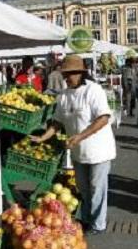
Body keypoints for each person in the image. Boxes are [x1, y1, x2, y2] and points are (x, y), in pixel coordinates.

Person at [34, 55, 116, 234]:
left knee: (97, 188)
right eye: (64, 74)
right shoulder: (63, 96)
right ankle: (86, 219)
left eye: (68, 74)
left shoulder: (93, 90)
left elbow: (103, 118)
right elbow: (57, 122)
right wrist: (43, 138)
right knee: (84, 189)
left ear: (79, 73)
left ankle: (97, 224)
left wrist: (80, 136)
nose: (65, 78)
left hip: (98, 151)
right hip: (78, 152)